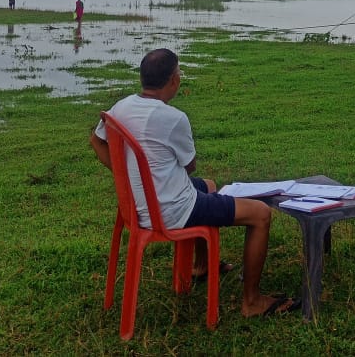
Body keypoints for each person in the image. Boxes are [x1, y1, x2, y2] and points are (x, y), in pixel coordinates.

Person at [89, 48, 299, 318]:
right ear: (173, 80)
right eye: (179, 73)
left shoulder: (122, 106)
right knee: (261, 214)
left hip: (140, 203)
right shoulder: (173, 118)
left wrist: (126, 177)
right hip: (173, 209)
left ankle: (201, 266)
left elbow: (96, 141)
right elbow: (189, 166)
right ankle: (252, 301)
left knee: (209, 185)